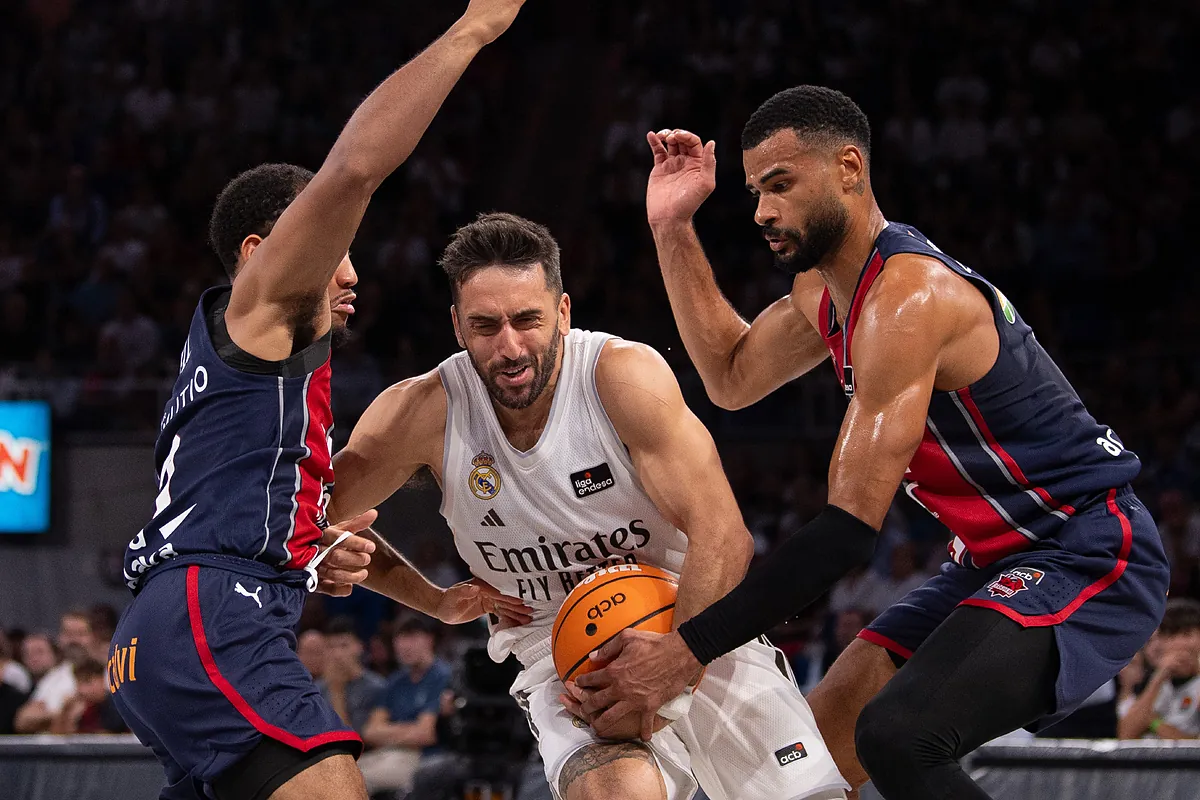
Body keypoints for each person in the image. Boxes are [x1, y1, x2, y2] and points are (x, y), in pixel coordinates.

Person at [570, 86, 1170, 799]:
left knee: (899, 735)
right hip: (989, 559)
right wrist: (671, 227)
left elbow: (848, 535)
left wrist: (686, 652)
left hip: (1090, 546)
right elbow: (730, 377)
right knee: (802, 770)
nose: (762, 209)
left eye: (782, 185)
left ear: (849, 169)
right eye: (757, 190)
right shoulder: (824, 295)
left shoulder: (909, 300)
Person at [105, 4, 533, 800]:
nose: (352, 275)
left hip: (166, 629)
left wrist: (434, 601)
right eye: (337, 252)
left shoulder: (239, 384)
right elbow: (354, 171)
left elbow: (312, 519)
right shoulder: (264, 309)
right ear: (261, 255)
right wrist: (473, 29)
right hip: (211, 612)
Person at [317, 212, 848, 800]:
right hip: (561, 651)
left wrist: (675, 663)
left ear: (563, 312)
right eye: (485, 326)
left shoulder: (621, 378)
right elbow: (305, 515)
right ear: (457, 326)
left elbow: (723, 537)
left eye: (527, 320)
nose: (510, 347)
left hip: (690, 616)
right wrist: (434, 602)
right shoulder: (418, 413)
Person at [359, 616, 454, 797]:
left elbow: (426, 734)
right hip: (388, 753)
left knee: (356, 779)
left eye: (412, 637)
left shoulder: (442, 676)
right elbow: (370, 731)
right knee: (339, 772)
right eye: (400, 638)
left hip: (423, 757)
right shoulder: (396, 681)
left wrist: (388, 732)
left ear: (429, 639)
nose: (405, 645)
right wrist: (409, 731)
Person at [1117, 598, 1200, 739]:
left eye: (1186, 635)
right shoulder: (1150, 680)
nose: (1179, 643)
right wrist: (1160, 675)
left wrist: (1153, 722)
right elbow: (1125, 735)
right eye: (1171, 635)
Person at [14, 610, 96, 733]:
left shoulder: (109, 672)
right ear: (60, 637)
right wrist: (62, 713)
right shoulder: (54, 677)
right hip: (51, 750)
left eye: (80, 634)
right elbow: (22, 721)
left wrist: (45, 717)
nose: (74, 640)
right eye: (68, 634)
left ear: (93, 636)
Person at [319, 616, 386, 736]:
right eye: (331, 647)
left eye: (344, 646)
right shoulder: (316, 689)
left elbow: (349, 741)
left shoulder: (376, 688)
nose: (337, 654)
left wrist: (337, 691)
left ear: (359, 647)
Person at [49, 658, 129, 734]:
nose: (82, 689)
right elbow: (57, 735)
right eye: (79, 683)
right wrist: (65, 712)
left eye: (87, 682)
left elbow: (107, 737)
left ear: (101, 679)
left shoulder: (117, 704)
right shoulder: (79, 705)